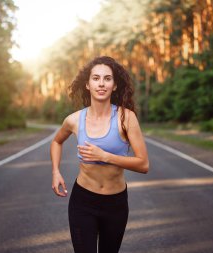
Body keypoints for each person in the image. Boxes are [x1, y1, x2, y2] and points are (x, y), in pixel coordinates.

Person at [50, 56, 149, 253]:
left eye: (107, 78)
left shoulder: (126, 118)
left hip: (116, 204)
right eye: (96, 78)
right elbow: (56, 141)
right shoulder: (74, 120)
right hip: (83, 202)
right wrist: (55, 171)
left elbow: (143, 164)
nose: (101, 83)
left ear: (114, 85)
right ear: (87, 84)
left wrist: (105, 156)